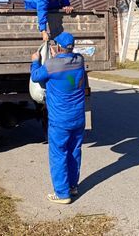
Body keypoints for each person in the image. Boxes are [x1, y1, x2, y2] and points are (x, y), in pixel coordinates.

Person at [30, 32, 87, 204]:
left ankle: (62, 194)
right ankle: (72, 186)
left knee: (58, 154)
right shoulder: (79, 60)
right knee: (74, 151)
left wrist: (34, 60)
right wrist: (59, 55)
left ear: (58, 47)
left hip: (60, 120)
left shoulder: (51, 65)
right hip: (78, 118)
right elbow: (66, 63)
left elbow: (36, 76)